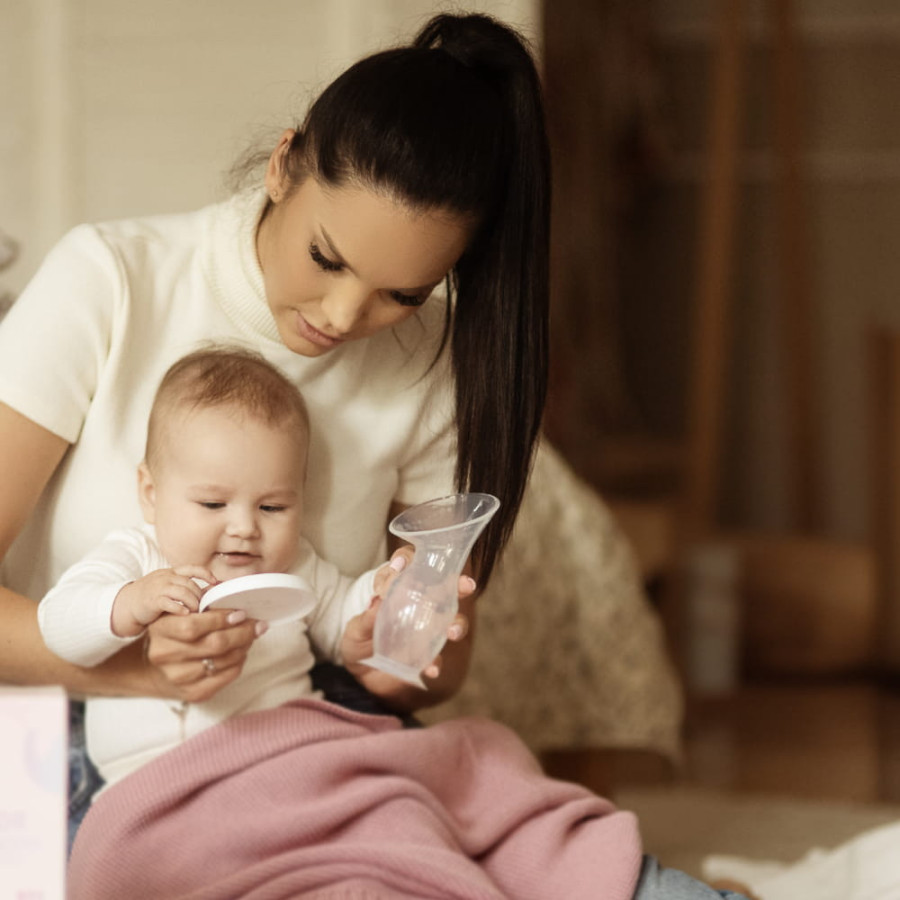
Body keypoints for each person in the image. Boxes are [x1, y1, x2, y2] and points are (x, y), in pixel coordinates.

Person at [0, 10, 749, 898]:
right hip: (89, 748)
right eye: (326, 257)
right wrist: (142, 662)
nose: (344, 317)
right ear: (284, 165)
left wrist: (394, 645)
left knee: (577, 858)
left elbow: (417, 677)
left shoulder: (428, 361)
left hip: (317, 735)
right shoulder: (111, 281)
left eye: (403, 292)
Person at [37, 346, 416, 794]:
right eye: (213, 504)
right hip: (156, 783)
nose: (243, 528)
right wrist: (130, 602)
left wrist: (380, 594)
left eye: (272, 506)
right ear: (151, 492)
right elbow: (56, 625)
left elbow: (342, 618)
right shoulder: (138, 558)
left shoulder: (292, 568)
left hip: (287, 757)